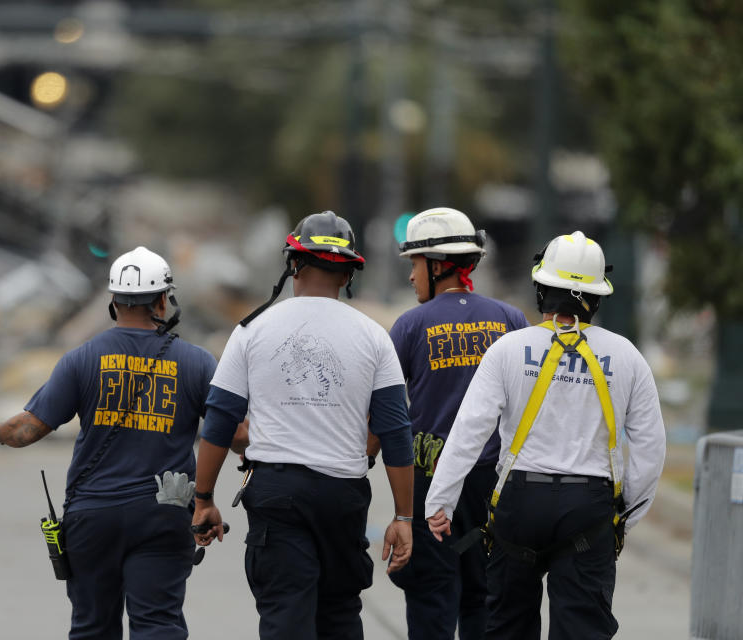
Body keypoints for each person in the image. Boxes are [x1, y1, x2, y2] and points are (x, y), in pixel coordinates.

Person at [0, 246, 217, 640]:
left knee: (92, 628)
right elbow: (233, 431)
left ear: (113, 301)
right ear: (163, 300)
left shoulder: (81, 359)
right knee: (158, 625)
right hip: (164, 514)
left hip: (93, 517)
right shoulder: (198, 362)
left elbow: (28, 430)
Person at [425, 231, 666, 640]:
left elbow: (469, 430)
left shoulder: (508, 349)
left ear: (541, 290)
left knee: (507, 626)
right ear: (597, 297)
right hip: (588, 510)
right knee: (583, 629)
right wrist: (624, 515)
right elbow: (650, 449)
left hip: (519, 504)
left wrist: (440, 500)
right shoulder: (626, 357)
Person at [190, 210, 415, 640]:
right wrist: (404, 515)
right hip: (343, 498)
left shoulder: (252, 330)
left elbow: (218, 421)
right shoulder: (373, 336)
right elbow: (395, 430)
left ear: (293, 263)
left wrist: (204, 499)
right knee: (339, 616)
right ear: (349, 274)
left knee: (284, 619)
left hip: (277, 496)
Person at [386, 207, 529, 640]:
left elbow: (388, 411)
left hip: (431, 486)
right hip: (495, 487)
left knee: (431, 597)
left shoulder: (410, 326)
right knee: (486, 597)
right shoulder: (511, 321)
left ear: (437, 265)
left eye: (414, 265)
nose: (411, 277)